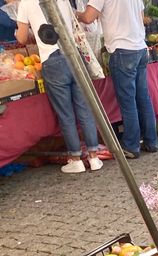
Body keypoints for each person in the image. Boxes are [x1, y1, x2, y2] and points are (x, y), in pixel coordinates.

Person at [15, 0, 104, 173]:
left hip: (52, 61)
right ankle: (94, 157)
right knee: (84, 108)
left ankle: (76, 159)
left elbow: (22, 38)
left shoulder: (25, 3)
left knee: (66, 114)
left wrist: (20, 27)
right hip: (74, 55)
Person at [77, 0, 157, 159]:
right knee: (143, 97)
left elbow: (87, 18)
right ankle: (151, 141)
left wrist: (74, 14)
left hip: (122, 50)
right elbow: (140, 17)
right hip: (140, 48)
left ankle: (131, 146)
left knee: (128, 102)